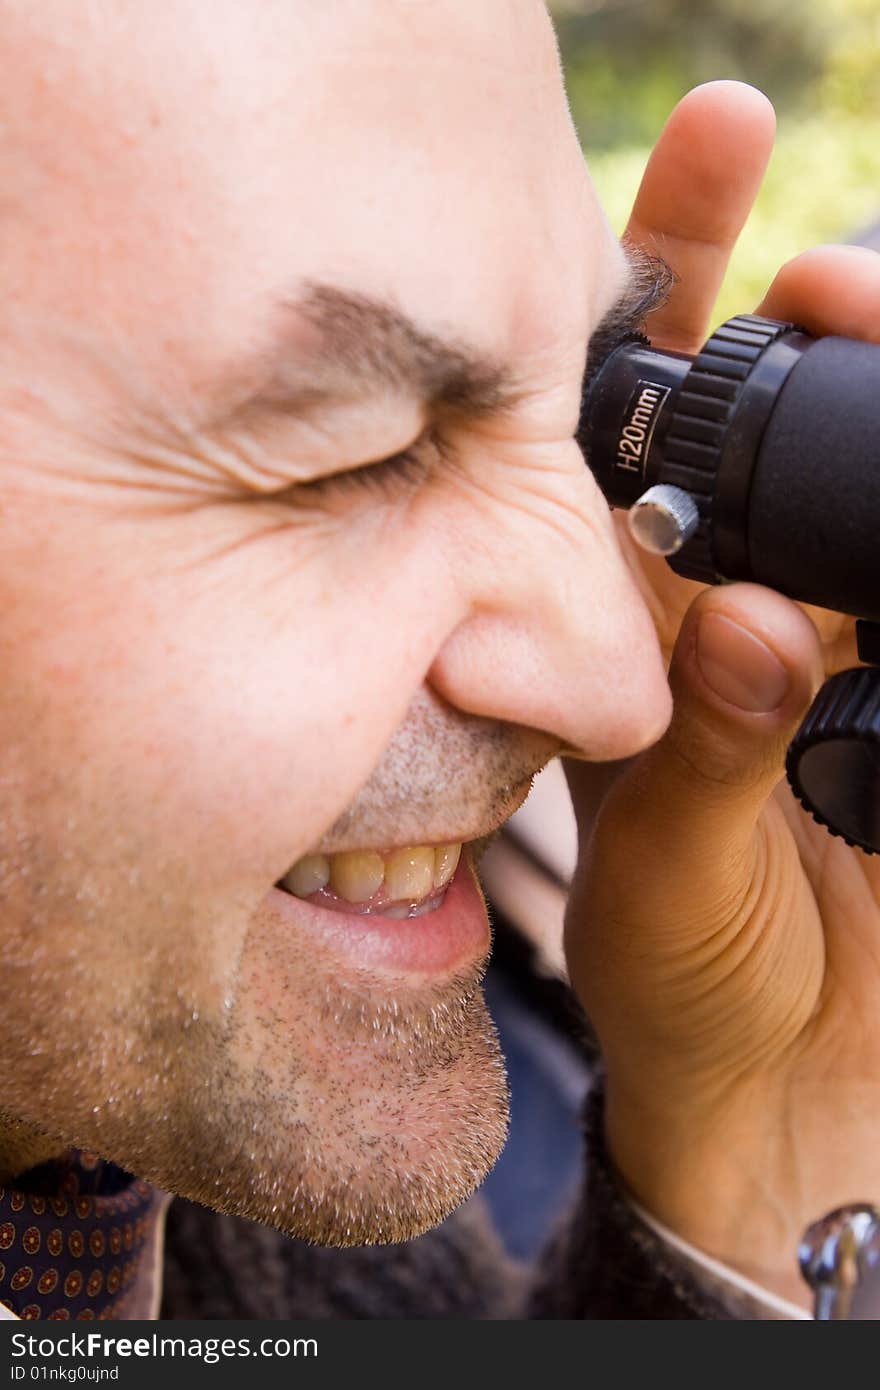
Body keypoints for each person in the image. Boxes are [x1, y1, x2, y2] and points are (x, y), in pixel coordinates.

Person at [0, 0, 876, 1321]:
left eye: (582, 398)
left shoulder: (117, 1149)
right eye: (350, 454)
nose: (621, 688)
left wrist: (746, 1154)